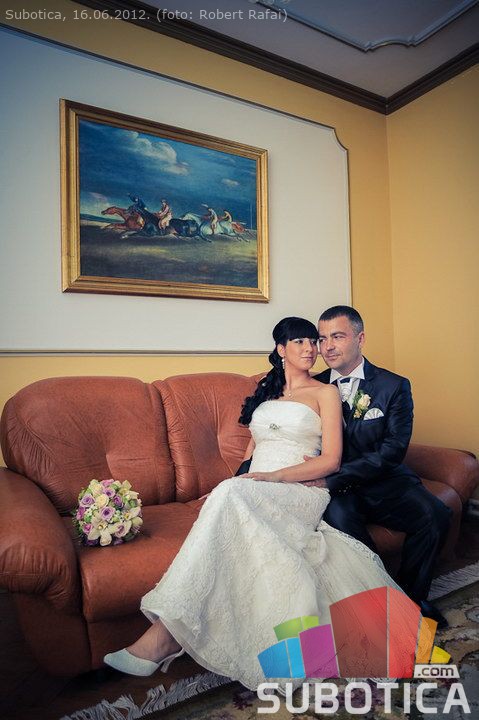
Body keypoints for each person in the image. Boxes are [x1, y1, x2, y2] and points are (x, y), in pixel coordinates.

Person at [103, 317, 410, 689]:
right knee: (229, 494)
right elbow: (250, 455)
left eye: (312, 341)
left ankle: (165, 637)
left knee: (232, 494)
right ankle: (169, 634)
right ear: (281, 349)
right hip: (256, 488)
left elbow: (331, 461)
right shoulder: (266, 393)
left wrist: (274, 477)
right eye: (299, 341)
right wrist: (231, 485)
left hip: (300, 488)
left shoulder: (325, 393)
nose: (311, 348)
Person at [311, 305, 452, 628]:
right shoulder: (311, 387)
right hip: (336, 491)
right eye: (322, 339)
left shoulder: (393, 386)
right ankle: (379, 599)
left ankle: (412, 598)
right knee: (341, 522)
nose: (327, 346)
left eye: (337, 336)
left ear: (360, 338)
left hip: (384, 480)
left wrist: (336, 477)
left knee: (435, 515)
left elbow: (393, 450)